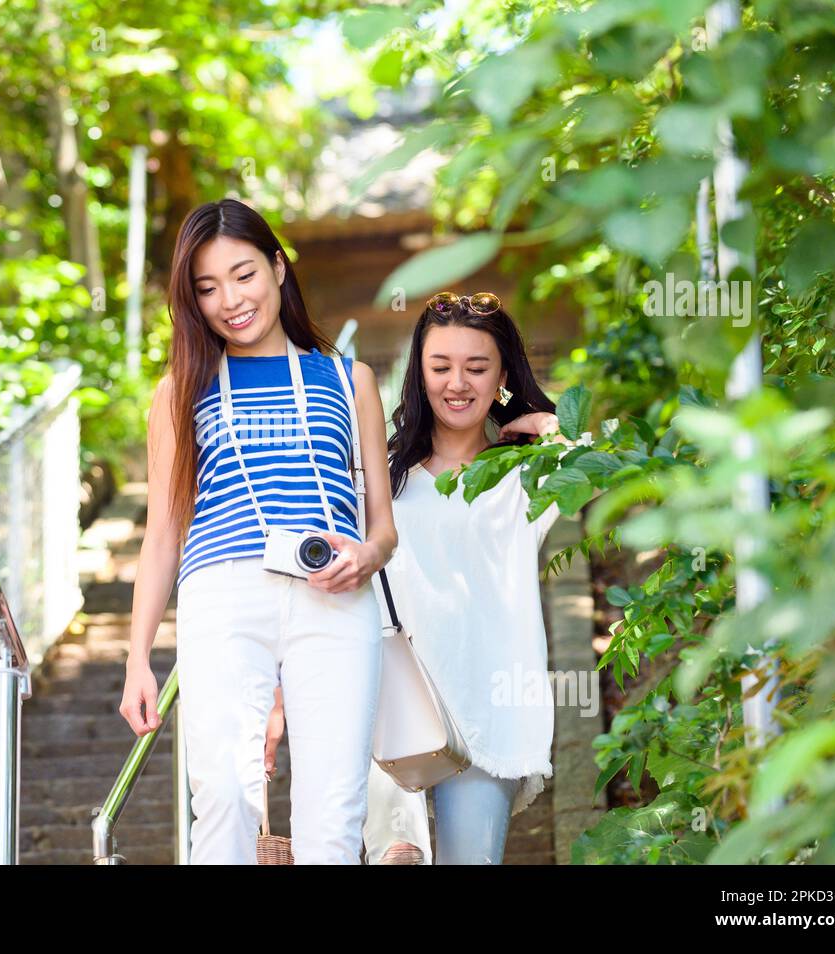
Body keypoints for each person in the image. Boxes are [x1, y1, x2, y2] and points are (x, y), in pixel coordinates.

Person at [118, 197, 397, 864]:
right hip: (222, 593)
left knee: (333, 813)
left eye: (243, 275)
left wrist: (367, 555)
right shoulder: (180, 390)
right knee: (222, 798)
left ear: (277, 266)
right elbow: (162, 533)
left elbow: (384, 526)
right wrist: (137, 658)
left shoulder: (347, 377)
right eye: (207, 287)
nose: (230, 300)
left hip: (335, 596)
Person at [362, 290, 567, 864]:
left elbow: (596, 467)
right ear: (418, 375)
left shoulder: (525, 476)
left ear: (503, 375)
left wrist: (543, 424)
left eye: (477, 367)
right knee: (397, 857)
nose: (458, 383)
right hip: (393, 706)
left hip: (488, 711)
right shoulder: (382, 477)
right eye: (441, 366)